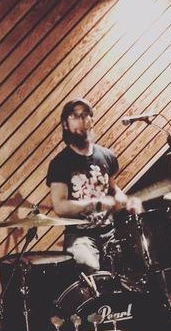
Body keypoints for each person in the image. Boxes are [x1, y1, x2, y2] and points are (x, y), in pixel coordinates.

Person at [46, 98, 142, 273]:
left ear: (91, 120)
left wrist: (126, 201)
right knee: (92, 270)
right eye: (75, 116)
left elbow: (112, 189)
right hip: (80, 237)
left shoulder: (107, 156)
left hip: (110, 232)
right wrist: (96, 204)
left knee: (135, 266)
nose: (81, 120)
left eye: (85, 115)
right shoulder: (60, 163)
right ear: (65, 124)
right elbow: (60, 206)